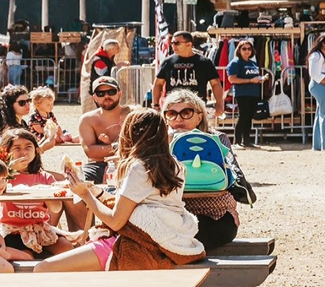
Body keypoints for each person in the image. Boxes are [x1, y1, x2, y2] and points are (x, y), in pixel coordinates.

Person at [34, 107, 206, 272]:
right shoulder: (175, 165)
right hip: (164, 241)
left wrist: (85, 194)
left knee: (43, 268)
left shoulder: (139, 168)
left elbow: (116, 221)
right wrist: (98, 192)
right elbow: (143, 203)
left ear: (130, 134)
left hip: (136, 243)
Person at [162, 89, 244, 249]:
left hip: (215, 215)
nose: (178, 118)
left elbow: (230, 176)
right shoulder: (160, 142)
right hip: (175, 215)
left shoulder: (217, 139)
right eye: (171, 114)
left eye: (186, 112)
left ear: (199, 116)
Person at [0, 129, 73, 259]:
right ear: (7, 152)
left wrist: (48, 195)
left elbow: (56, 208)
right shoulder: (4, 177)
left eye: (28, 147)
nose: (23, 152)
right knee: (26, 256)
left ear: (36, 150)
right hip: (14, 230)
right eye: (17, 148)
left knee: (66, 248)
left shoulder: (45, 177)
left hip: (41, 229)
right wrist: (10, 169)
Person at [152, 30, 224, 119]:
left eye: (177, 43)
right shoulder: (168, 62)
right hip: (173, 108)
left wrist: (219, 104)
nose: (173, 45)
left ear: (189, 44)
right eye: (172, 43)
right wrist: (155, 104)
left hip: (196, 108)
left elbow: (215, 83)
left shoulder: (204, 62)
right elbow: (158, 83)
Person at [79, 77, 130, 184]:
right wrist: (119, 147)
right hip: (98, 165)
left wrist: (107, 148)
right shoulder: (87, 119)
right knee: (79, 181)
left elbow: (142, 146)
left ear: (119, 93)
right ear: (94, 97)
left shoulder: (133, 114)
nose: (106, 96)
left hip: (130, 163)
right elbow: (90, 152)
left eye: (111, 92)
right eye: (100, 93)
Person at [226, 40, 266, 148]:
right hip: (242, 93)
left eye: (249, 49)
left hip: (254, 93)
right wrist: (250, 81)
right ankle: (237, 141)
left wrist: (260, 79)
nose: (247, 51)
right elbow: (232, 79)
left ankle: (247, 140)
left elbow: (253, 77)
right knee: (243, 116)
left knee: (249, 116)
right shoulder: (235, 63)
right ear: (239, 50)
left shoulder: (253, 63)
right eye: (244, 49)